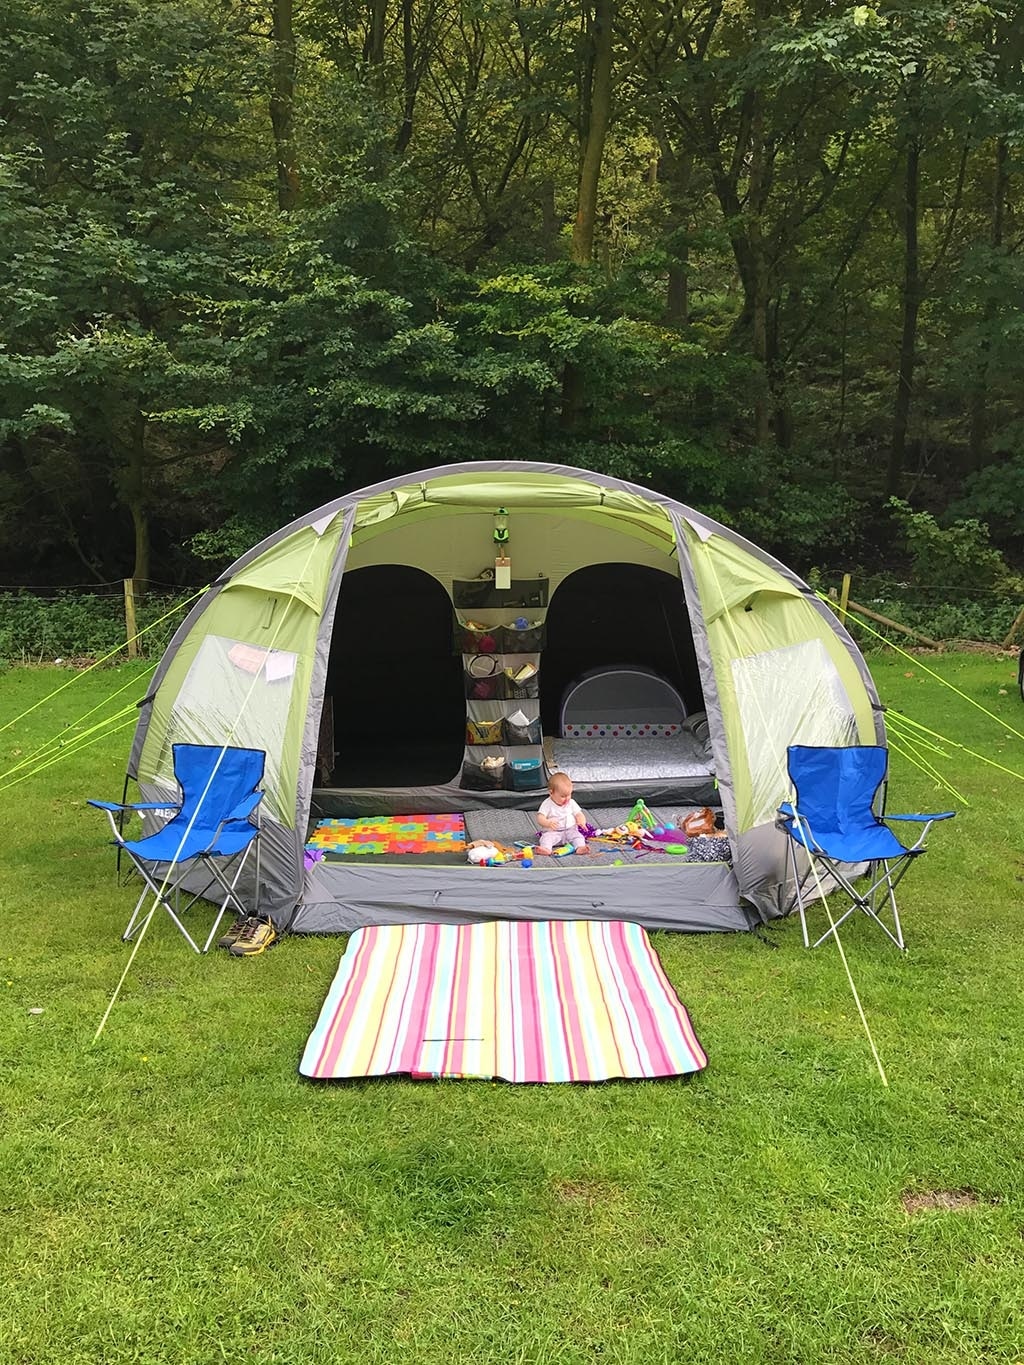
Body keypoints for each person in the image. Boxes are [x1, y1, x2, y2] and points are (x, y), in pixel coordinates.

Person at [536, 772, 590, 855]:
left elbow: (579, 814)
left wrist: (582, 821)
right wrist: (547, 823)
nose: (567, 799)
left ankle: (580, 847)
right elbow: (540, 817)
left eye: (569, 795)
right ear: (551, 793)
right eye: (563, 796)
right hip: (553, 832)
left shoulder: (571, 802)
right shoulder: (547, 804)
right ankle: (546, 849)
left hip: (570, 830)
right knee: (546, 838)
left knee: (578, 837)